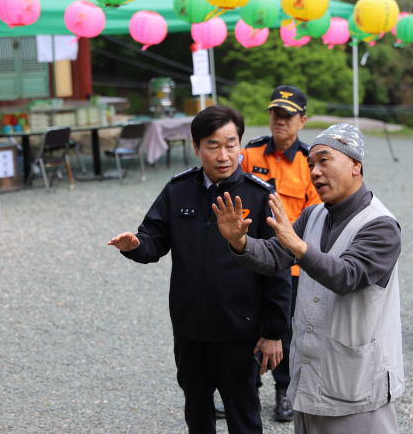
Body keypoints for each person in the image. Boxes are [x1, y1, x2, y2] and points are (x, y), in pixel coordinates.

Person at [108, 105, 292, 434]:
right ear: (196, 147)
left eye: (231, 144)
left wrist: (274, 332)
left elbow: (278, 267)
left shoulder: (260, 196)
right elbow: (154, 239)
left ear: (240, 144)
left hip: (241, 332)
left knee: (244, 415)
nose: (223, 155)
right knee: (197, 411)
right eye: (213, 145)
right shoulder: (178, 191)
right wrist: (135, 246)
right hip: (190, 329)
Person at [213, 123, 404, 434]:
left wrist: (297, 245)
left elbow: (347, 276)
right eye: (311, 164)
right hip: (311, 379)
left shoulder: (380, 225)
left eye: (324, 160)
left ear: (356, 164)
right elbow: (276, 255)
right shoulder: (314, 214)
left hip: (357, 384)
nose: (315, 172)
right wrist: (240, 242)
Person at [234, 85, 321, 422]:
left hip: (290, 264)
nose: (280, 120)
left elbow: (315, 217)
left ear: (302, 120)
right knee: (243, 323)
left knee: (285, 330)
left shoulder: (310, 162)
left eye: (288, 115)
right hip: (249, 257)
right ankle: (243, 390)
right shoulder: (250, 153)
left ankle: (284, 392)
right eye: (275, 114)